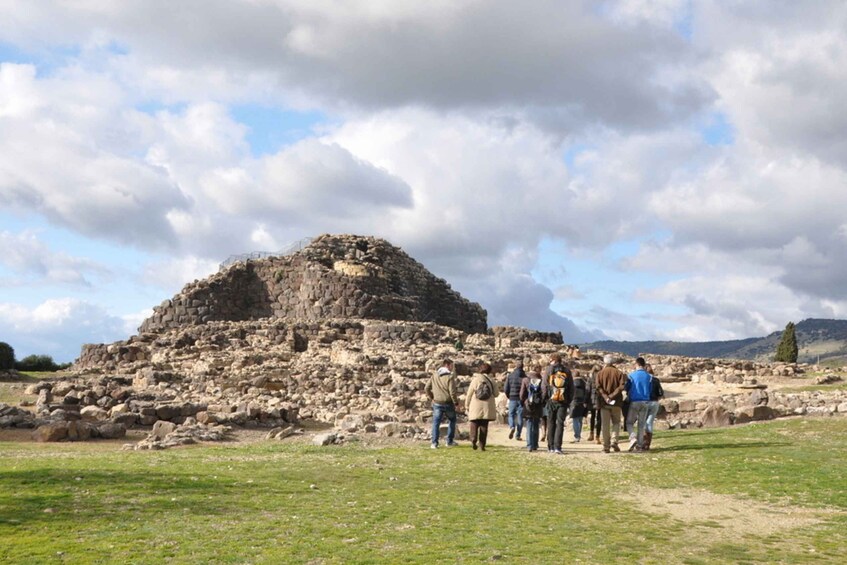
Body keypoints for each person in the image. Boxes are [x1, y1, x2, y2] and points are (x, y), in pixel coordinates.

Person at [425, 358, 460, 449]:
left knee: (436, 423)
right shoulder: (450, 376)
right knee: (452, 420)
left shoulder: (435, 375)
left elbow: (426, 388)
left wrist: (432, 397)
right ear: (447, 365)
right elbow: (452, 392)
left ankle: (434, 443)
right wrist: (456, 403)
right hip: (448, 403)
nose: (452, 368)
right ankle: (449, 441)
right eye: (451, 366)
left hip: (437, 403)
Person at [595, 354, 627, 453]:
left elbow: (598, 387)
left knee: (605, 425)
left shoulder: (600, 373)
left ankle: (606, 446)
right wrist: (612, 395)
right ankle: (614, 441)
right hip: (616, 402)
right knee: (616, 423)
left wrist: (606, 396)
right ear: (613, 362)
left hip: (604, 403)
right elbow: (621, 387)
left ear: (605, 362)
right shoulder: (619, 373)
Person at [465, 362, 499, 451]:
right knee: (484, 426)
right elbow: (496, 394)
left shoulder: (475, 380)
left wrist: (467, 405)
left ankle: (473, 439)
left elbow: (469, 394)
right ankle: (482, 445)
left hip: (475, 405)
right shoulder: (492, 381)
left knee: (474, 423)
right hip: (487, 406)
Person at [544, 354, 573, 454]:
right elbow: (571, 387)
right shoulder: (567, 371)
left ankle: (550, 446)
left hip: (551, 400)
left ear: (552, 360)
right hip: (563, 400)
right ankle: (558, 447)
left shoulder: (548, 370)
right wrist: (568, 400)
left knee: (551, 422)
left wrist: (545, 398)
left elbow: (544, 385)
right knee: (560, 423)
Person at [625, 357, 653, 452]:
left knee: (629, 422)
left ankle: (632, 437)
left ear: (636, 364)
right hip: (645, 401)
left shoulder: (631, 375)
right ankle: (640, 446)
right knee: (641, 425)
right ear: (644, 365)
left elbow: (627, 388)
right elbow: (650, 389)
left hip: (634, 401)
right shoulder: (649, 377)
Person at [520, 364, 546, 452]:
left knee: (529, 424)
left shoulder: (526, 380)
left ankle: (529, 445)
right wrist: (541, 401)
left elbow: (522, 394)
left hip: (528, 404)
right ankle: (535, 444)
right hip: (538, 405)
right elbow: (544, 392)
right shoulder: (541, 380)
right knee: (536, 424)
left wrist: (524, 401)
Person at [503, 360, 526, 441]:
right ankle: (518, 435)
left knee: (511, 414)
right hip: (521, 399)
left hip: (512, 397)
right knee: (520, 416)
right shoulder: (524, 376)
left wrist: (509, 396)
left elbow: (506, 388)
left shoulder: (510, 376)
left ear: (515, 366)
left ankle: (512, 426)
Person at [644, 363, 664, 451]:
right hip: (654, 402)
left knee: (643, 422)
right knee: (650, 422)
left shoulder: (643, 380)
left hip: (644, 402)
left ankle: (643, 442)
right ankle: (648, 443)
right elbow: (661, 393)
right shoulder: (656, 380)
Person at [569, 369, 590, 442]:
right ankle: (579, 435)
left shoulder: (572, 383)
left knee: (575, 419)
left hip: (574, 402)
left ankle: (576, 435)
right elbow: (587, 392)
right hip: (582, 402)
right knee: (580, 420)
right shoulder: (584, 383)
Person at [587, 364, 602, 444]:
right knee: (599, 418)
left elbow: (588, 389)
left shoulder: (590, 378)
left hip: (591, 398)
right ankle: (597, 437)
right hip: (600, 397)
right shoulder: (601, 377)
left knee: (593, 416)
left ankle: (591, 433)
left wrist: (586, 400)